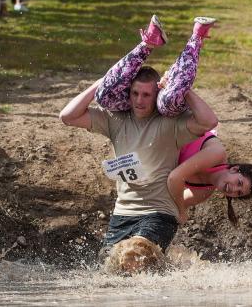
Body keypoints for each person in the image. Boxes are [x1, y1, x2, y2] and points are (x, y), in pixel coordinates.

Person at [59, 15, 218, 272]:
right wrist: (100, 83)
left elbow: (209, 121)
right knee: (108, 272)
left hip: (159, 212)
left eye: (146, 95)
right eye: (134, 93)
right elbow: (67, 116)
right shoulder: (115, 119)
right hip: (122, 213)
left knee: (136, 257)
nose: (139, 100)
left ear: (156, 95)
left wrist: (183, 89)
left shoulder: (170, 123)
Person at [167, 130, 252, 225]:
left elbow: (170, 204)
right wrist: (181, 211)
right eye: (239, 183)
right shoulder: (217, 154)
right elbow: (174, 178)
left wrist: (179, 210)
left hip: (162, 159)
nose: (233, 189)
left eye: (239, 193)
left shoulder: (203, 192)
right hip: (166, 132)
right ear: (234, 169)